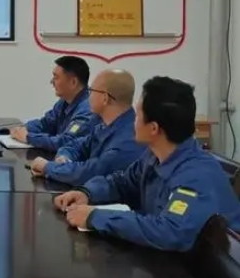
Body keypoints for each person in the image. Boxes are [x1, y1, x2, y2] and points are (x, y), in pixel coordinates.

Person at [55, 76, 240, 252]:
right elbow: (123, 182)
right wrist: (87, 193)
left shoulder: (195, 175)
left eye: (137, 115)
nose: (132, 121)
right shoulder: (155, 155)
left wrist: (96, 217)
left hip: (209, 271)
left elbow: (169, 232)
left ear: (153, 128)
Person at [30, 69, 145, 185]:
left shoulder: (129, 139)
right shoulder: (104, 125)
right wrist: (63, 158)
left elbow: (90, 173)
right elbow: (76, 145)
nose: (88, 97)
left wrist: (48, 167)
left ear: (105, 98)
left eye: (91, 91)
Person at [10, 56, 93, 151]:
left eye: (56, 77)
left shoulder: (87, 109)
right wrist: (20, 129)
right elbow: (45, 124)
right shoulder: (64, 102)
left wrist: (29, 138)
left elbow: (67, 142)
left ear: (73, 82)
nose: (51, 82)